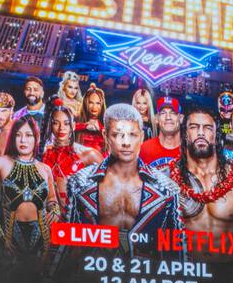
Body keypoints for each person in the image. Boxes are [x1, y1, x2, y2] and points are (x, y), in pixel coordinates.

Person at [66, 104, 184, 256]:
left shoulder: (166, 188)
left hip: (145, 275)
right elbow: (66, 242)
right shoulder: (80, 183)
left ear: (141, 137)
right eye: (117, 134)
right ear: (105, 135)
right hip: (95, 274)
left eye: (132, 135)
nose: (126, 142)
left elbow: (177, 250)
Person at [168, 109, 233, 266]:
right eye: (193, 127)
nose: (201, 133)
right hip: (184, 273)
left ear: (216, 135)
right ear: (185, 134)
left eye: (208, 128)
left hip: (229, 276)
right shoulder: (168, 181)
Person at [0, 116, 61, 265]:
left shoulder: (45, 169)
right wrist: (1, 239)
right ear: (13, 138)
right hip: (9, 240)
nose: (23, 140)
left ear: (36, 138)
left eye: (28, 135)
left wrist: (55, 210)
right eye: (18, 135)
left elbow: (52, 199)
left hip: (43, 243)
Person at [41, 100, 101, 206]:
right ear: (50, 125)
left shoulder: (88, 154)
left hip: (74, 217)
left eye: (66, 123)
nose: (61, 128)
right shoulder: (42, 153)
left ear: (73, 126)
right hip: (46, 215)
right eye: (56, 123)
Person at [139, 96, 182, 167]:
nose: (168, 117)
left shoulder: (189, 150)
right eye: (163, 113)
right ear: (156, 119)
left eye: (173, 113)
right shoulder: (144, 149)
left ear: (180, 118)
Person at [75, 83, 107, 153]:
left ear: (101, 105)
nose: (94, 107)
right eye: (91, 103)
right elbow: (66, 128)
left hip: (100, 160)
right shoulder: (77, 119)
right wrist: (84, 126)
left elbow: (112, 140)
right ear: (85, 103)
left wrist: (100, 128)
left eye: (98, 103)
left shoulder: (106, 123)